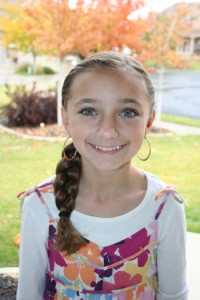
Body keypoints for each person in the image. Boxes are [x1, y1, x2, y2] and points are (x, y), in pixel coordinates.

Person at [16, 52, 188, 300]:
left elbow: (174, 295)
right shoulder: (41, 205)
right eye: (89, 110)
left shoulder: (164, 206)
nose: (108, 131)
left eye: (127, 112)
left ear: (148, 121)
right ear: (66, 118)